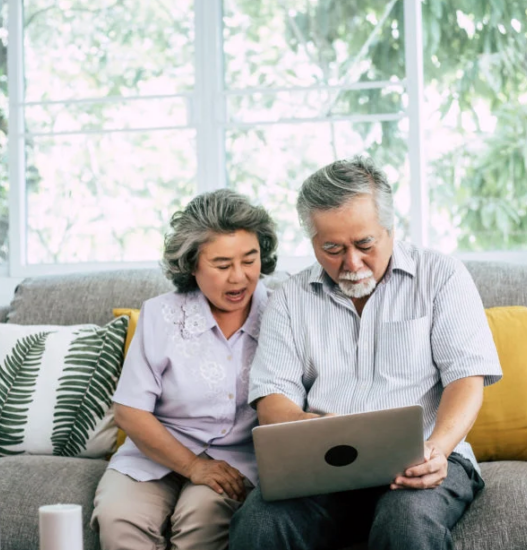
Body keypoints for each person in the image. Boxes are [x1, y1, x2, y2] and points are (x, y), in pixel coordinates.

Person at [229, 156, 503, 550]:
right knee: (258, 524)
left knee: (405, 522)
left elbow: (466, 379)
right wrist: (315, 431)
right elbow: (273, 399)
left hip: (423, 458)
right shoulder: (289, 298)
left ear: (391, 229)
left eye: (364, 244)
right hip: (322, 468)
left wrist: (437, 449)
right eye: (332, 248)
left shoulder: (441, 276)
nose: (351, 263)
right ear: (312, 242)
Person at [92, 189, 278, 550]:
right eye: (222, 265)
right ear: (192, 265)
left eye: (250, 260)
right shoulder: (160, 315)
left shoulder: (280, 314)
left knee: (203, 521)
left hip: (238, 461)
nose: (239, 277)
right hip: (154, 452)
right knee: (119, 518)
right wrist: (193, 467)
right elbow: (130, 411)